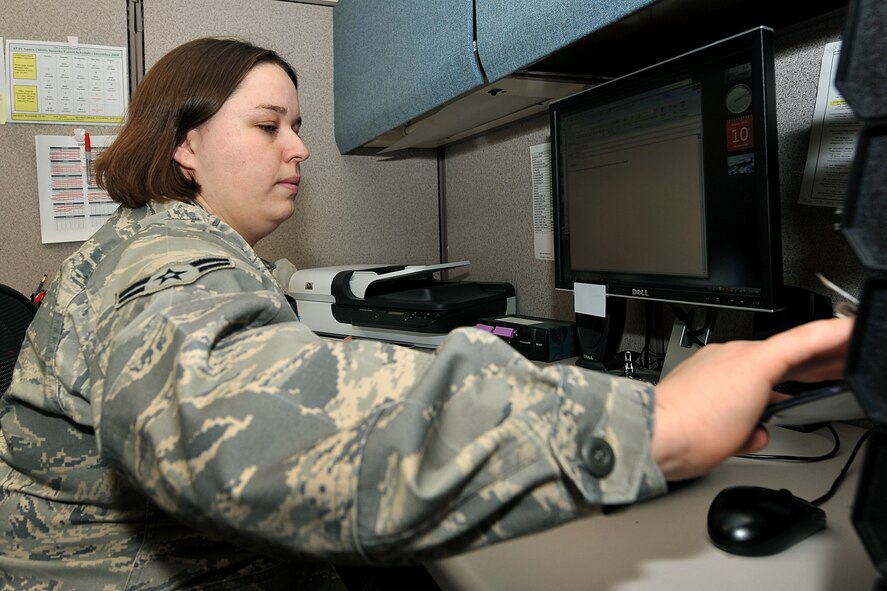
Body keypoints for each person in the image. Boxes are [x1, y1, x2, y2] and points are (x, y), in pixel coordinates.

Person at [0, 37, 854, 590]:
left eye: (297, 123)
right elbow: (240, 421)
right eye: (269, 125)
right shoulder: (160, 261)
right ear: (185, 145)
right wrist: (657, 419)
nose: (299, 148)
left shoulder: (159, 245)